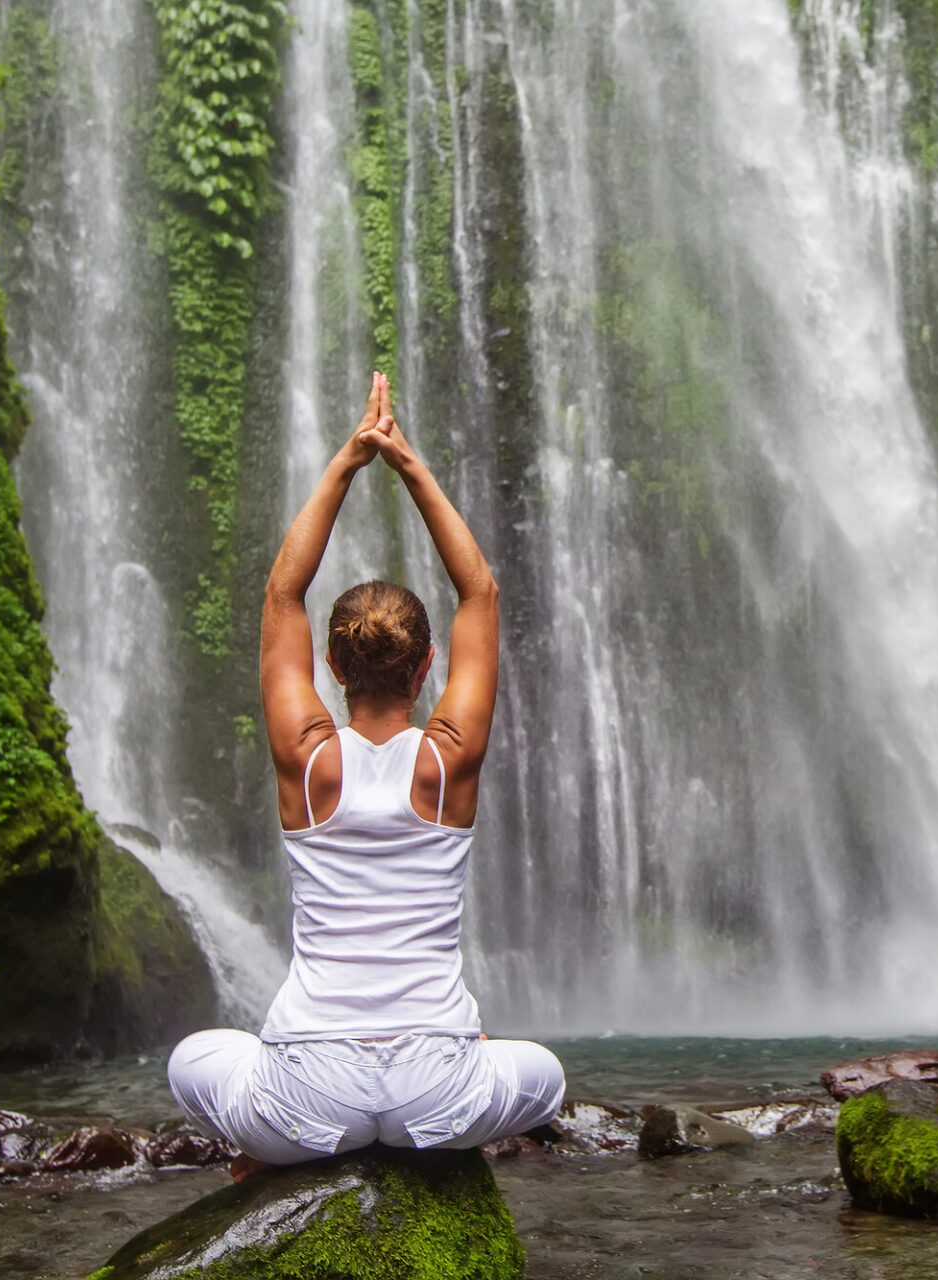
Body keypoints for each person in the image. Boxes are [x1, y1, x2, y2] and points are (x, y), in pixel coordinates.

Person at [166, 372, 564, 1179]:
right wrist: (408, 464)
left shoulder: (306, 759)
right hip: (436, 1092)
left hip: (309, 1093)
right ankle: (444, 1105)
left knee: (192, 1060)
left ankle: (269, 1150)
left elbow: (283, 591)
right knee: (545, 1075)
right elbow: (479, 590)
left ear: (330, 666)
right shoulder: (448, 760)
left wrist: (346, 464)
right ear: (426, 667)